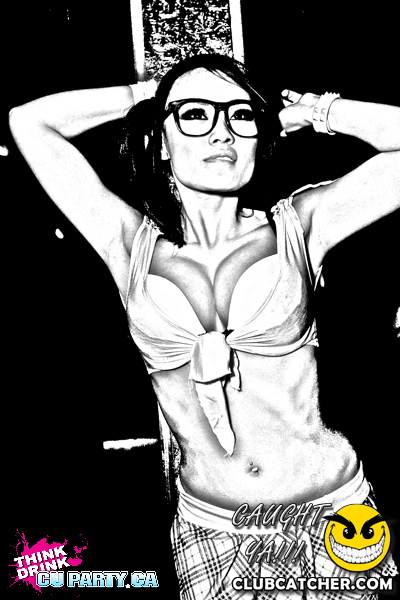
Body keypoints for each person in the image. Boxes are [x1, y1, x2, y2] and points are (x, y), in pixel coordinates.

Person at [9, 53, 399, 599]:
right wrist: (144, 96)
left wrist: (317, 111)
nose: (222, 132)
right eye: (195, 114)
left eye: (241, 116)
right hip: (211, 529)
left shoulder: (301, 225)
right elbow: (30, 122)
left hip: (334, 516)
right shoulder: (127, 243)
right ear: (161, 141)